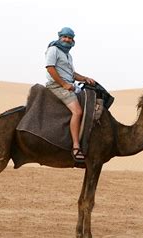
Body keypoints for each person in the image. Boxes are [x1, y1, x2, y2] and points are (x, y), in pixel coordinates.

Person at [45, 27, 95, 163]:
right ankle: (76, 146)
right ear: (60, 37)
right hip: (56, 85)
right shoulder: (53, 50)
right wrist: (63, 84)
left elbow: (72, 74)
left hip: (70, 85)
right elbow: (50, 68)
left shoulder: (68, 55)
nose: (67, 39)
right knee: (77, 112)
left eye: (70, 38)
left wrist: (85, 78)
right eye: (65, 37)